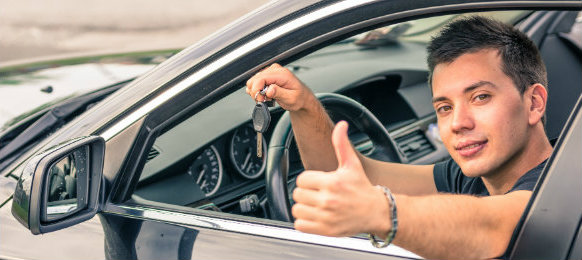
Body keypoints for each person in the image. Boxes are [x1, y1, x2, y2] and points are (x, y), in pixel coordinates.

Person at [246, 16, 552, 259]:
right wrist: (304, 106)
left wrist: (380, 212)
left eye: (481, 97)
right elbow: (355, 177)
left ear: (534, 103)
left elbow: (495, 228)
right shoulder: (471, 179)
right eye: (444, 107)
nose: (458, 123)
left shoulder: (562, 187)